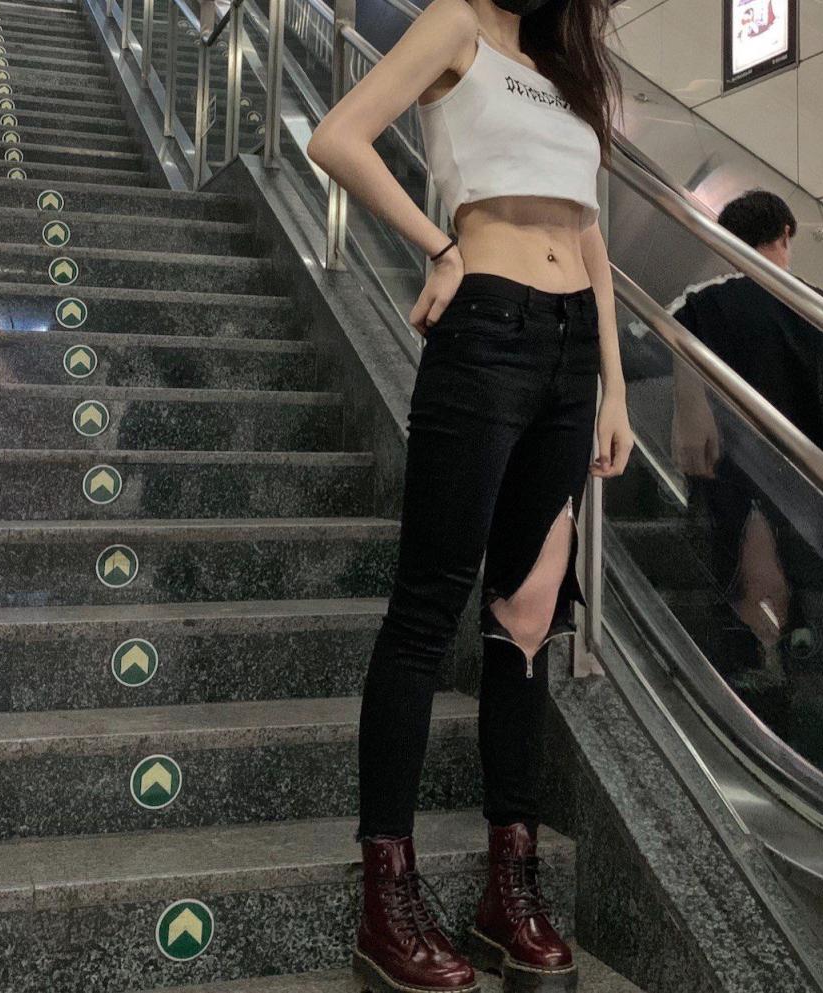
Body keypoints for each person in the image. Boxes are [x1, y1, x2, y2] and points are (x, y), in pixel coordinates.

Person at [307, 2, 632, 990]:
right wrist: (438, 246)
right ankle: (387, 899)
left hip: (571, 355)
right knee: (425, 608)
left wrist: (615, 386)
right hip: (486, 328)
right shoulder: (454, 23)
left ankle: (509, 887)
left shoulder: (563, 62)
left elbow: (588, 233)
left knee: (527, 618)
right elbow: (337, 137)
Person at [669, 189, 823, 785]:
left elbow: (662, 333)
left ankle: (735, 752)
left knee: (734, 619)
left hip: (732, 502)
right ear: (786, 233)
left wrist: (689, 406)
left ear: (727, 242)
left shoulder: (704, 304)